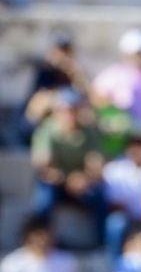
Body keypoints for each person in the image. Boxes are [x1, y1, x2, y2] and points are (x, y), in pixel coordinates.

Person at [29, 90, 106, 241]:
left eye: (73, 110)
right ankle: (41, 238)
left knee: (99, 197)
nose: (69, 114)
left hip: (80, 184)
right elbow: (42, 165)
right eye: (64, 110)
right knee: (45, 198)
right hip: (57, 183)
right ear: (56, 112)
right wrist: (63, 178)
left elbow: (96, 163)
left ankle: (102, 243)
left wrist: (85, 178)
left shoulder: (89, 131)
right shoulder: (47, 130)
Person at [1, 216, 79, 272]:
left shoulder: (66, 260)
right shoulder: (12, 262)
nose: (42, 240)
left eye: (46, 235)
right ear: (28, 237)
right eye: (38, 235)